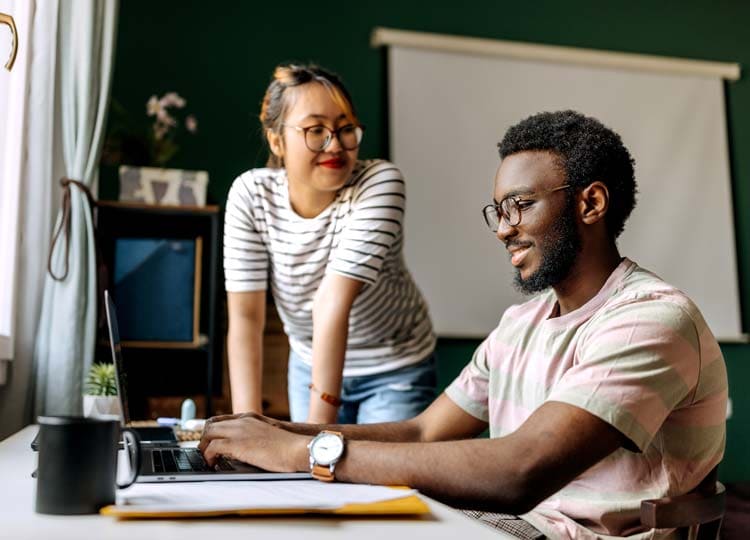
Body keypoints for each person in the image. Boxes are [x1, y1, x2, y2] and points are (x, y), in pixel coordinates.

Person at [204, 110, 727, 539]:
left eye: (520, 206)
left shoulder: (650, 320)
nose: (503, 229)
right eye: (497, 211)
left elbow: (520, 471)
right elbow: (422, 431)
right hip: (512, 528)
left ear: (590, 202)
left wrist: (304, 453)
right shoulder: (520, 323)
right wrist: (272, 433)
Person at [223, 64, 437, 424]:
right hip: (309, 362)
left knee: (365, 476)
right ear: (276, 140)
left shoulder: (379, 182)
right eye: (315, 130)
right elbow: (246, 318)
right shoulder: (251, 195)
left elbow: (331, 302)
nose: (335, 144)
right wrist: (248, 426)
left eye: (345, 128)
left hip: (393, 368)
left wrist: (315, 438)